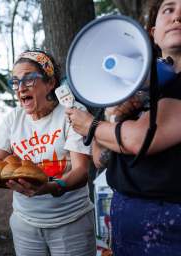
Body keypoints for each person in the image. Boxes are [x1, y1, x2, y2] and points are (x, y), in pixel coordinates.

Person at [66, 1, 181, 254]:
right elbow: (99, 159)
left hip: (171, 225)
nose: (177, 17)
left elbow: (140, 139)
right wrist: (113, 114)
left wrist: (91, 125)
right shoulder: (131, 87)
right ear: (152, 32)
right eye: (168, 10)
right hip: (124, 216)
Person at [0, 50, 95, 256]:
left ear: (50, 83)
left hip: (71, 223)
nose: (20, 88)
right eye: (16, 82)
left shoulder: (72, 112)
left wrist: (52, 187)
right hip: (25, 224)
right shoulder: (13, 120)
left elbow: (81, 172)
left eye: (28, 80)